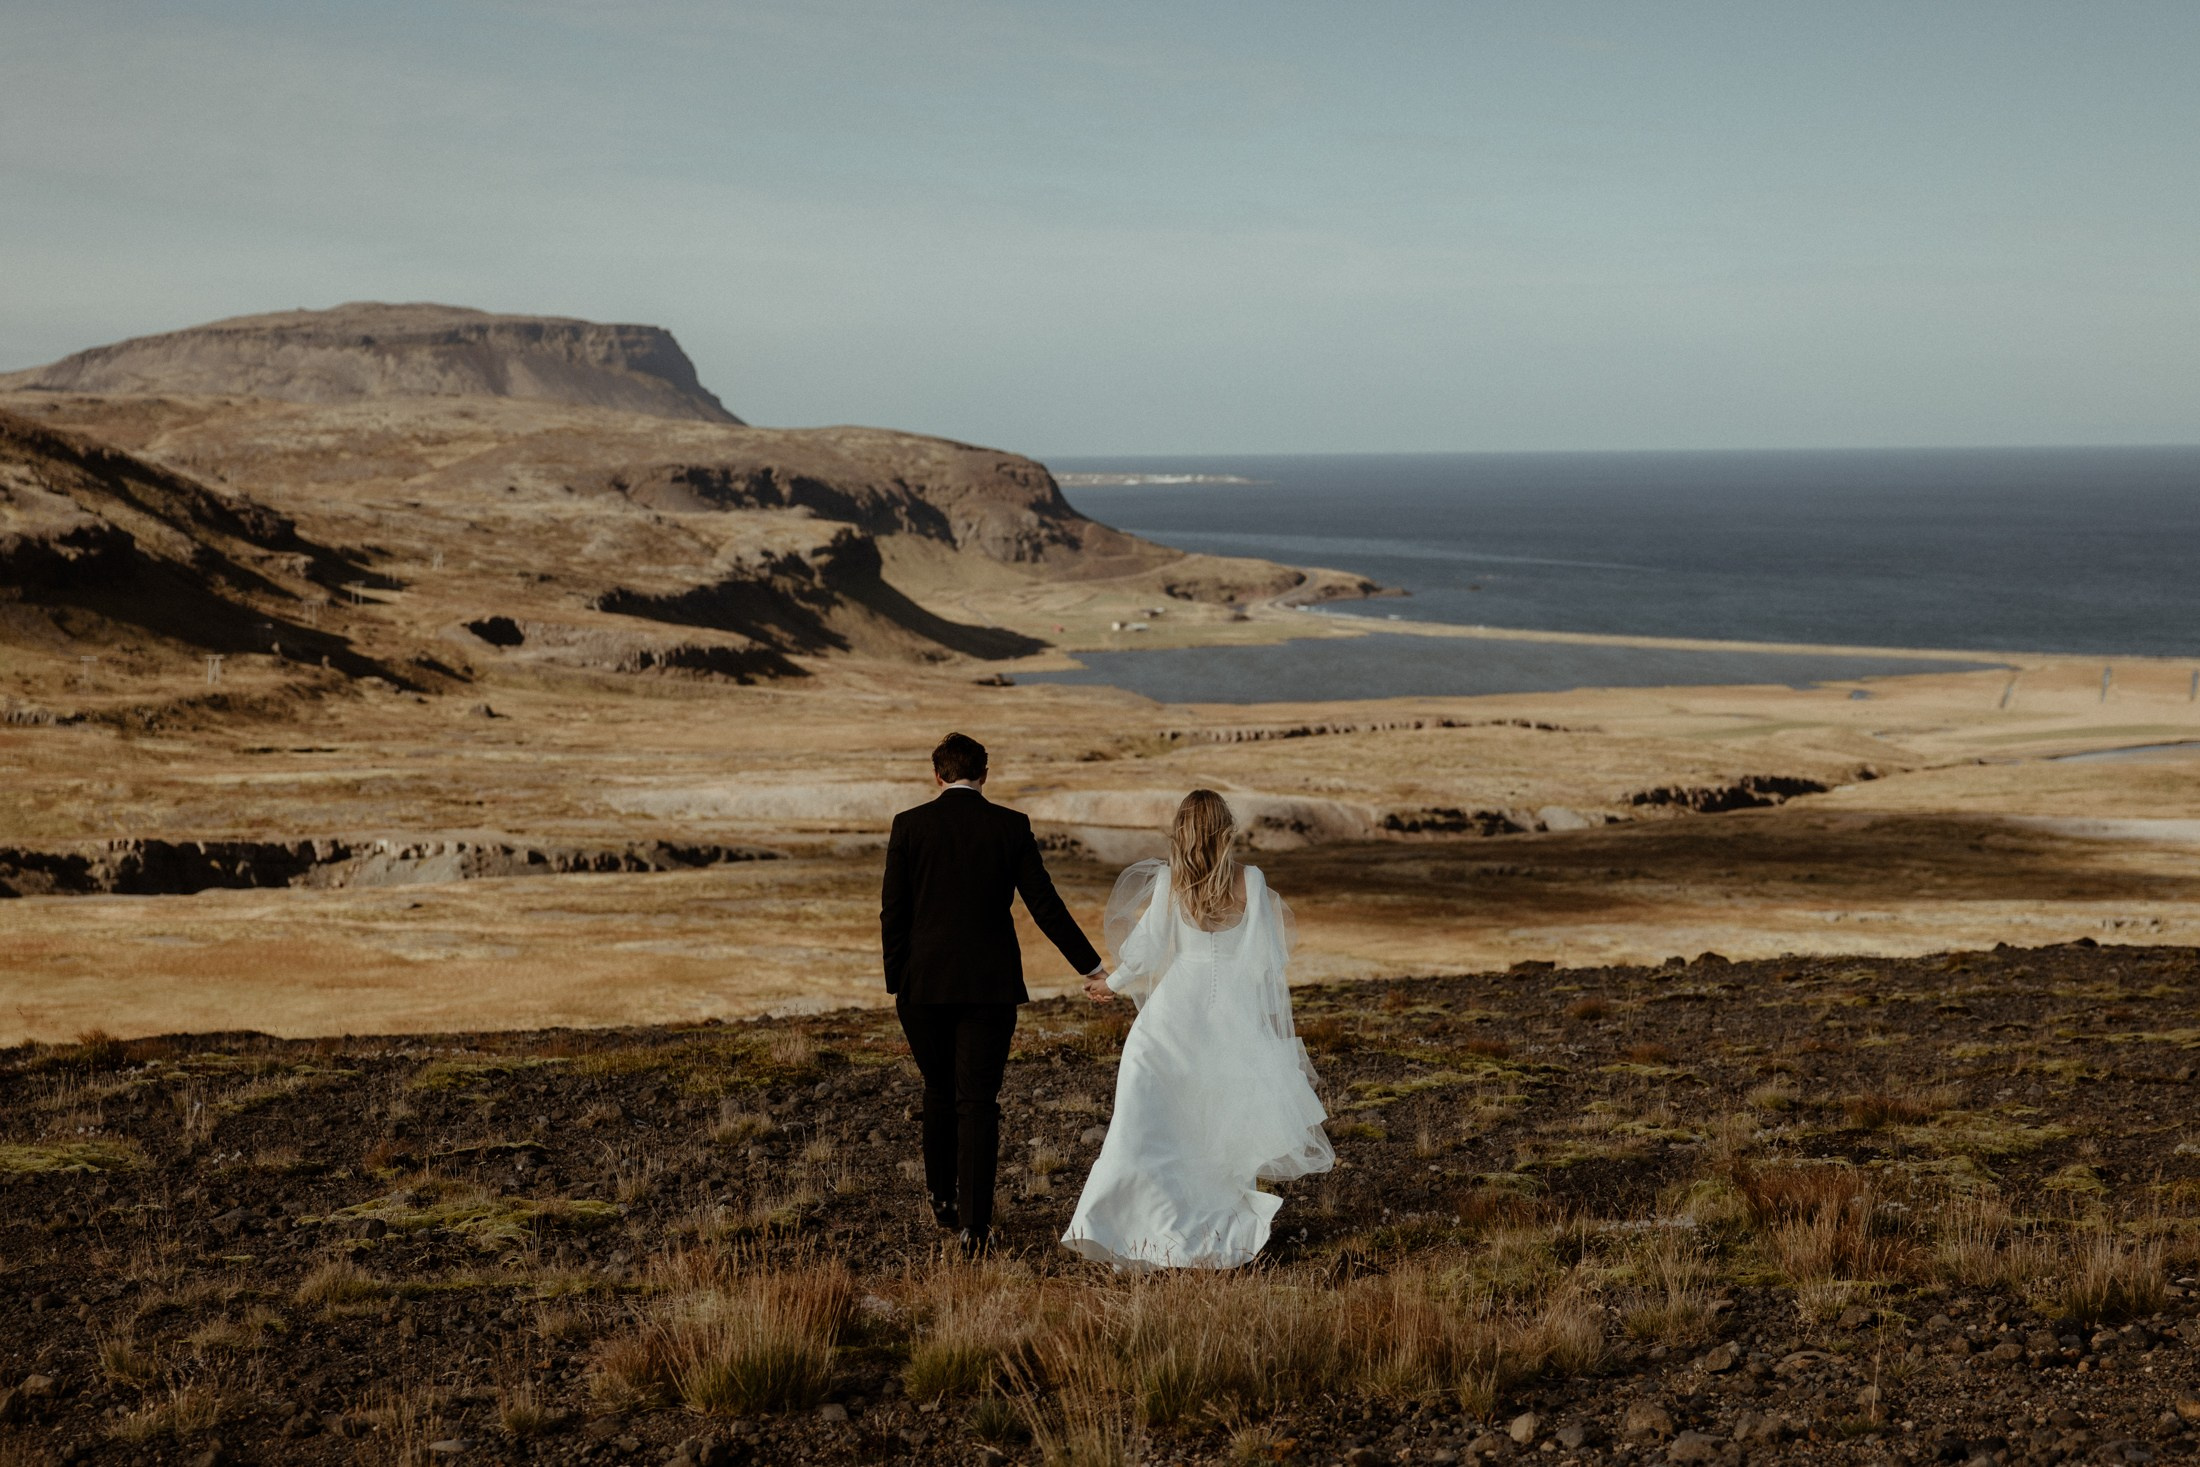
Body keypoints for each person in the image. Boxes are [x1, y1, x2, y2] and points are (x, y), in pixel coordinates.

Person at [1061, 789, 1334, 1269]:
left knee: (1144, 1127)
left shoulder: (1171, 882)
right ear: (1225, 830)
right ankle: (1211, 1227)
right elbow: (1268, 962)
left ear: (1183, 833)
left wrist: (1112, 984)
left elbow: (1145, 950)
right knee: (1215, 1130)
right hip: (1233, 1020)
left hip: (1169, 1021)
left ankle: (1122, 1222)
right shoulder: (1251, 880)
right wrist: (1263, 1028)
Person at [880, 731, 1106, 1254]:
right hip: (990, 987)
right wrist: (1091, 968)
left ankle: (942, 1198)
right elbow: (1044, 905)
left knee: (939, 1091)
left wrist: (901, 983)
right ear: (985, 774)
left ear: (937, 775)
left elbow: (894, 912)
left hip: (923, 988)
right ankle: (974, 1228)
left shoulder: (910, 826)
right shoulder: (1010, 826)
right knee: (977, 1102)